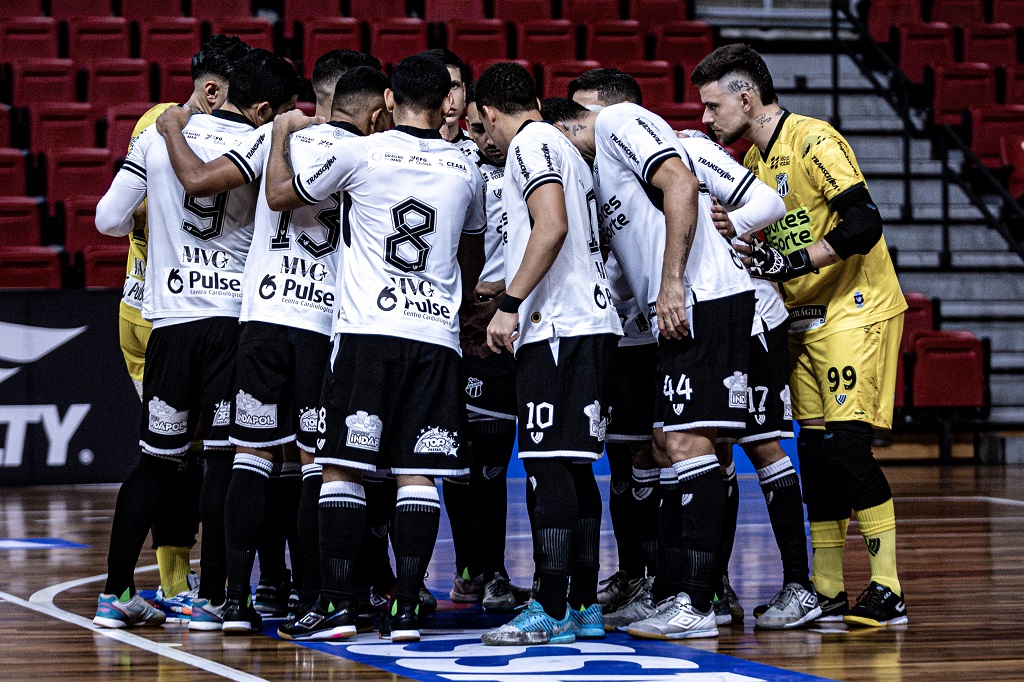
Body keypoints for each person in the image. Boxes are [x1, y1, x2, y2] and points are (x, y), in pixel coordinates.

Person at [568, 67, 822, 631]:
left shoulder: (681, 148)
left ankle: (783, 587)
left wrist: (726, 231)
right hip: (690, 308)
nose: (575, 126)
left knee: (752, 445)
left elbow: (762, 204)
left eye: (581, 113)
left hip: (746, 312)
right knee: (681, 446)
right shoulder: (609, 174)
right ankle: (700, 586)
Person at [265, 53, 486, 643]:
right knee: (418, 475)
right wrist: (457, 304)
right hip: (435, 335)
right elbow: (473, 246)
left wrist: (288, 129)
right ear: (448, 104)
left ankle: (337, 606)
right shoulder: (467, 167)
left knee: (343, 467)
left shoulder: (360, 153)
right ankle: (409, 606)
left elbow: (288, 194)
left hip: (367, 331)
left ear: (388, 101)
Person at [691, 44, 909, 628]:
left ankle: (888, 587)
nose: (707, 121)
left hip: (854, 310)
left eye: (713, 107)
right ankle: (828, 588)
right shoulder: (755, 172)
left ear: (746, 97)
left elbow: (863, 223)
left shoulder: (816, 140)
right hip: (802, 321)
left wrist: (792, 262)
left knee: (846, 449)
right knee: (813, 456)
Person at [92, 49, 302, 630]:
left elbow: (108, 221)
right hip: (234, 323)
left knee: (156, 463)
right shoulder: (265, 142)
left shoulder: (160, 134)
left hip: (169, 323)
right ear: (260, 105)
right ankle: (210, 599)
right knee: (223, 461)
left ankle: (113, 595)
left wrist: (156, 221)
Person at [541, 95, 759, 640]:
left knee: (689, 444)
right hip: (682, 306)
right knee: (666, 442)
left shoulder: (616, 120)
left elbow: (681, 184)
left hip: (702, 296)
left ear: (566, 126)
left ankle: (700, 601)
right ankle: (669, 591)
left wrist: (671, 282)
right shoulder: (602, 169)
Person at [473, 63, 622, 646]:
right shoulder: (562, 144)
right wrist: (496, 289)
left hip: (559, 328)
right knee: (575, 467)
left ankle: (551, 606)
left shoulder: (529, 144)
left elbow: (551, 225)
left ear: (489, 113)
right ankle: (582, 605)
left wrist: (509, 303)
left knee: (548, 467)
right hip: (590, 320)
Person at [116, 34, 252, 620]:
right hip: (196, 309)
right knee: (208, 454)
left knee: (167, 453)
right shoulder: (243, 134)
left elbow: (115, 212)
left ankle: (160, 586)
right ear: (221, 87)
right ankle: (195, 588)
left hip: (152, 309)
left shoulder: (157, 121)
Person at [444, 83, 532, 612]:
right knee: (475, 461)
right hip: (476, 335)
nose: (482, 138)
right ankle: (478, 569)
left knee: (514, 464)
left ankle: (503, 573)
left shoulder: (534, 163)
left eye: (485, 126)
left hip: (534, 327)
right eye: (473, 129)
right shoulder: (456, 172)